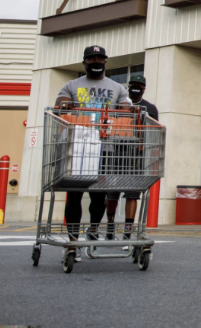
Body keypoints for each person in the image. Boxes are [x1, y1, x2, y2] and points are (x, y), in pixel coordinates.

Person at [54, 45, 131, 261]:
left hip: (105, 147)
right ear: (84, 62)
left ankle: (93, 229)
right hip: (78, 147)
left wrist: (126, 108)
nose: (96, 61)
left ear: (106, 62)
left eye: (100, 58)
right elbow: (59, 104)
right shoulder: (72, 85)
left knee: (99, 195)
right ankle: (73, 241)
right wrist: (64, 103)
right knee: (75, 193)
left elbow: (126, 106)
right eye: (92, 58)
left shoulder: (117, 87)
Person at [105, 74, 159, 242]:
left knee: (132, 195)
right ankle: (110, 225)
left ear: (144, 89)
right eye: (133, 85)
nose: (136, 88)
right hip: (118, 153)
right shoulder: (120, 104)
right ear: (128, 87)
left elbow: (154, 131)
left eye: (139, 85)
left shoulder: (150, 108)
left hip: (137, 157)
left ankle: (127, 231)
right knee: (112, 194)